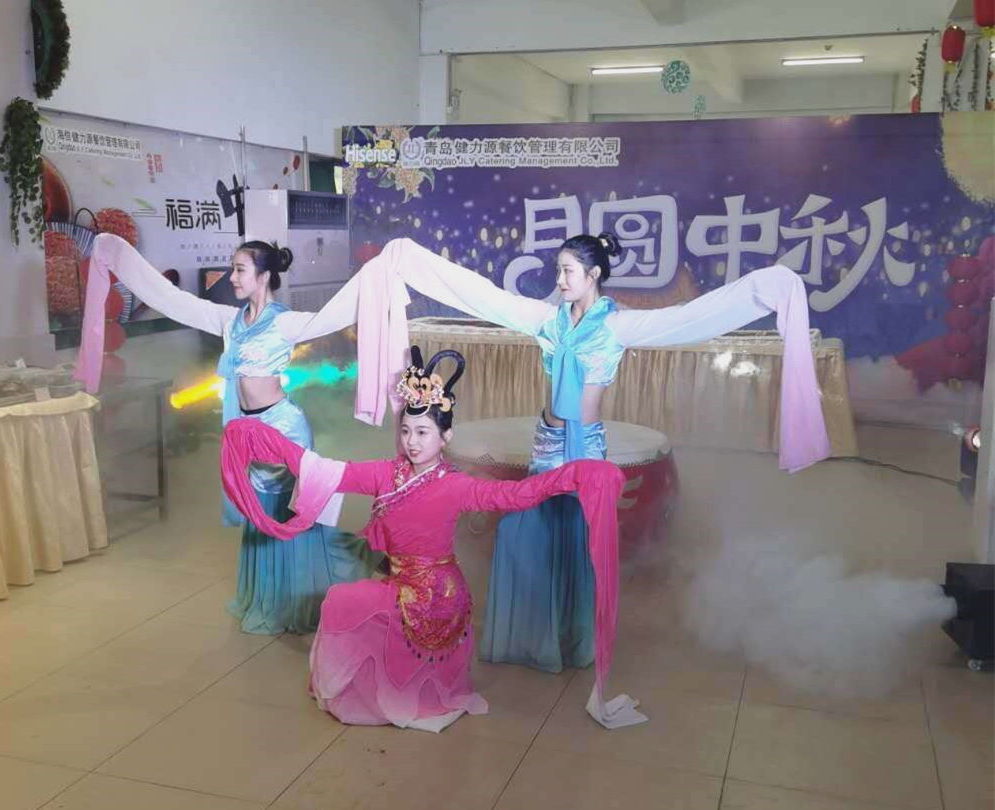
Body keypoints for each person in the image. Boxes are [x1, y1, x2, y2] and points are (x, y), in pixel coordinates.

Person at [346, 234, 831, 673]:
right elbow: (484, 296)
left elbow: (689, 318)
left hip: (587, 447)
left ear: (593, 274)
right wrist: (412, 260)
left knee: (578, 540)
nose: (559, 280)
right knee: (527, 532)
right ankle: (531, 637)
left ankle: (572, 639)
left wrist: (766, 288)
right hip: (547, 443)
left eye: (568, 272)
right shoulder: (547, 321)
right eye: (558, 271)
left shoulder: (618, 326)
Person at [220, 347, 642, 732]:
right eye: (406, 431)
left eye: (423, 432)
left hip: (437, 594)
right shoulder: (388, 473)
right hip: (401, 583)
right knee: (344, 601)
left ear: (445, 437)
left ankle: (402, 692)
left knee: (342, 601)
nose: (412, 442)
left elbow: (515, 495)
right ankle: (376, 690)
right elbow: (333, 472)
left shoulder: (455, 485)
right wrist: (261, 437)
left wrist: (576, 474)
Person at [74, 234, 382, 635]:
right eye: (233, 269)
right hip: (248, 433)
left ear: (264, 276)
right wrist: (121, 259)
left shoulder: (284, 322)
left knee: (284, 512)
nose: (232, 277)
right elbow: (173, 300)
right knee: (260, 512)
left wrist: (380, 280)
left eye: (240, 270)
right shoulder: (229, 321)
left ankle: (294, 600)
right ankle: (269, 595)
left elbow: (334, 315)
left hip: (283, 429)